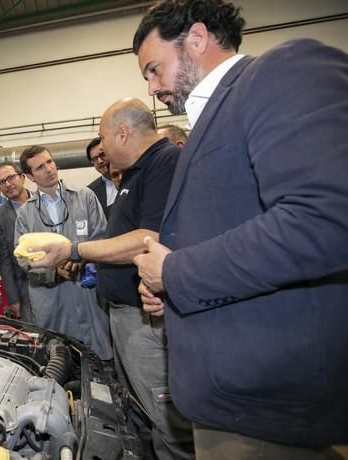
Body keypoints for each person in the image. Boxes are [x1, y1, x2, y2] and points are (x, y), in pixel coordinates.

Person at [130, 1, 348, 458]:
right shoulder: (205, 125)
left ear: (196, 38)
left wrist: (176, 273)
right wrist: (166, 285)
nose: (152, 88)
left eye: (154, 69)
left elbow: (327, 219)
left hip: (267, 408)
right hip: (226, 402)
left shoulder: (282, 73)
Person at [24, 99, 193, 459]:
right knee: (147, 411)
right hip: (124, 313)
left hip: (144, 317)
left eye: (103, 137)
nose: (101, 149)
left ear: (122, 133)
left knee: (166, 417)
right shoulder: (136, 173)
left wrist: (74, 250)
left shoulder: (165, 162)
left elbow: (148, 238)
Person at [15, 145, 112, 360]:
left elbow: (102, 237)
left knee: (99, 356)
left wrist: (81, 257)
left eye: (50, 162)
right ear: (30, 176)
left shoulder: (85, 197)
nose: (49, 169)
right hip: (50, 297)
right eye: (40, 167)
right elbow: (23, 260)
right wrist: (55, 272)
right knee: (59, 359)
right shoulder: (25, 213)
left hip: (87, 291)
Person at [0, 161, 32, 321]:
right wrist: (13, 299)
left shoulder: (44, 200)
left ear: (22, 177)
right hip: (25, 289)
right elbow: (4, 261)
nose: (7, 184)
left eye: (11, 178)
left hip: (58, 284)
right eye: (2, 182)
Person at [86, 137, 117, 217]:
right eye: (95, 159)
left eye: (103, 155)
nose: (100, 161)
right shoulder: (90, 191)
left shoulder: (132, 179)